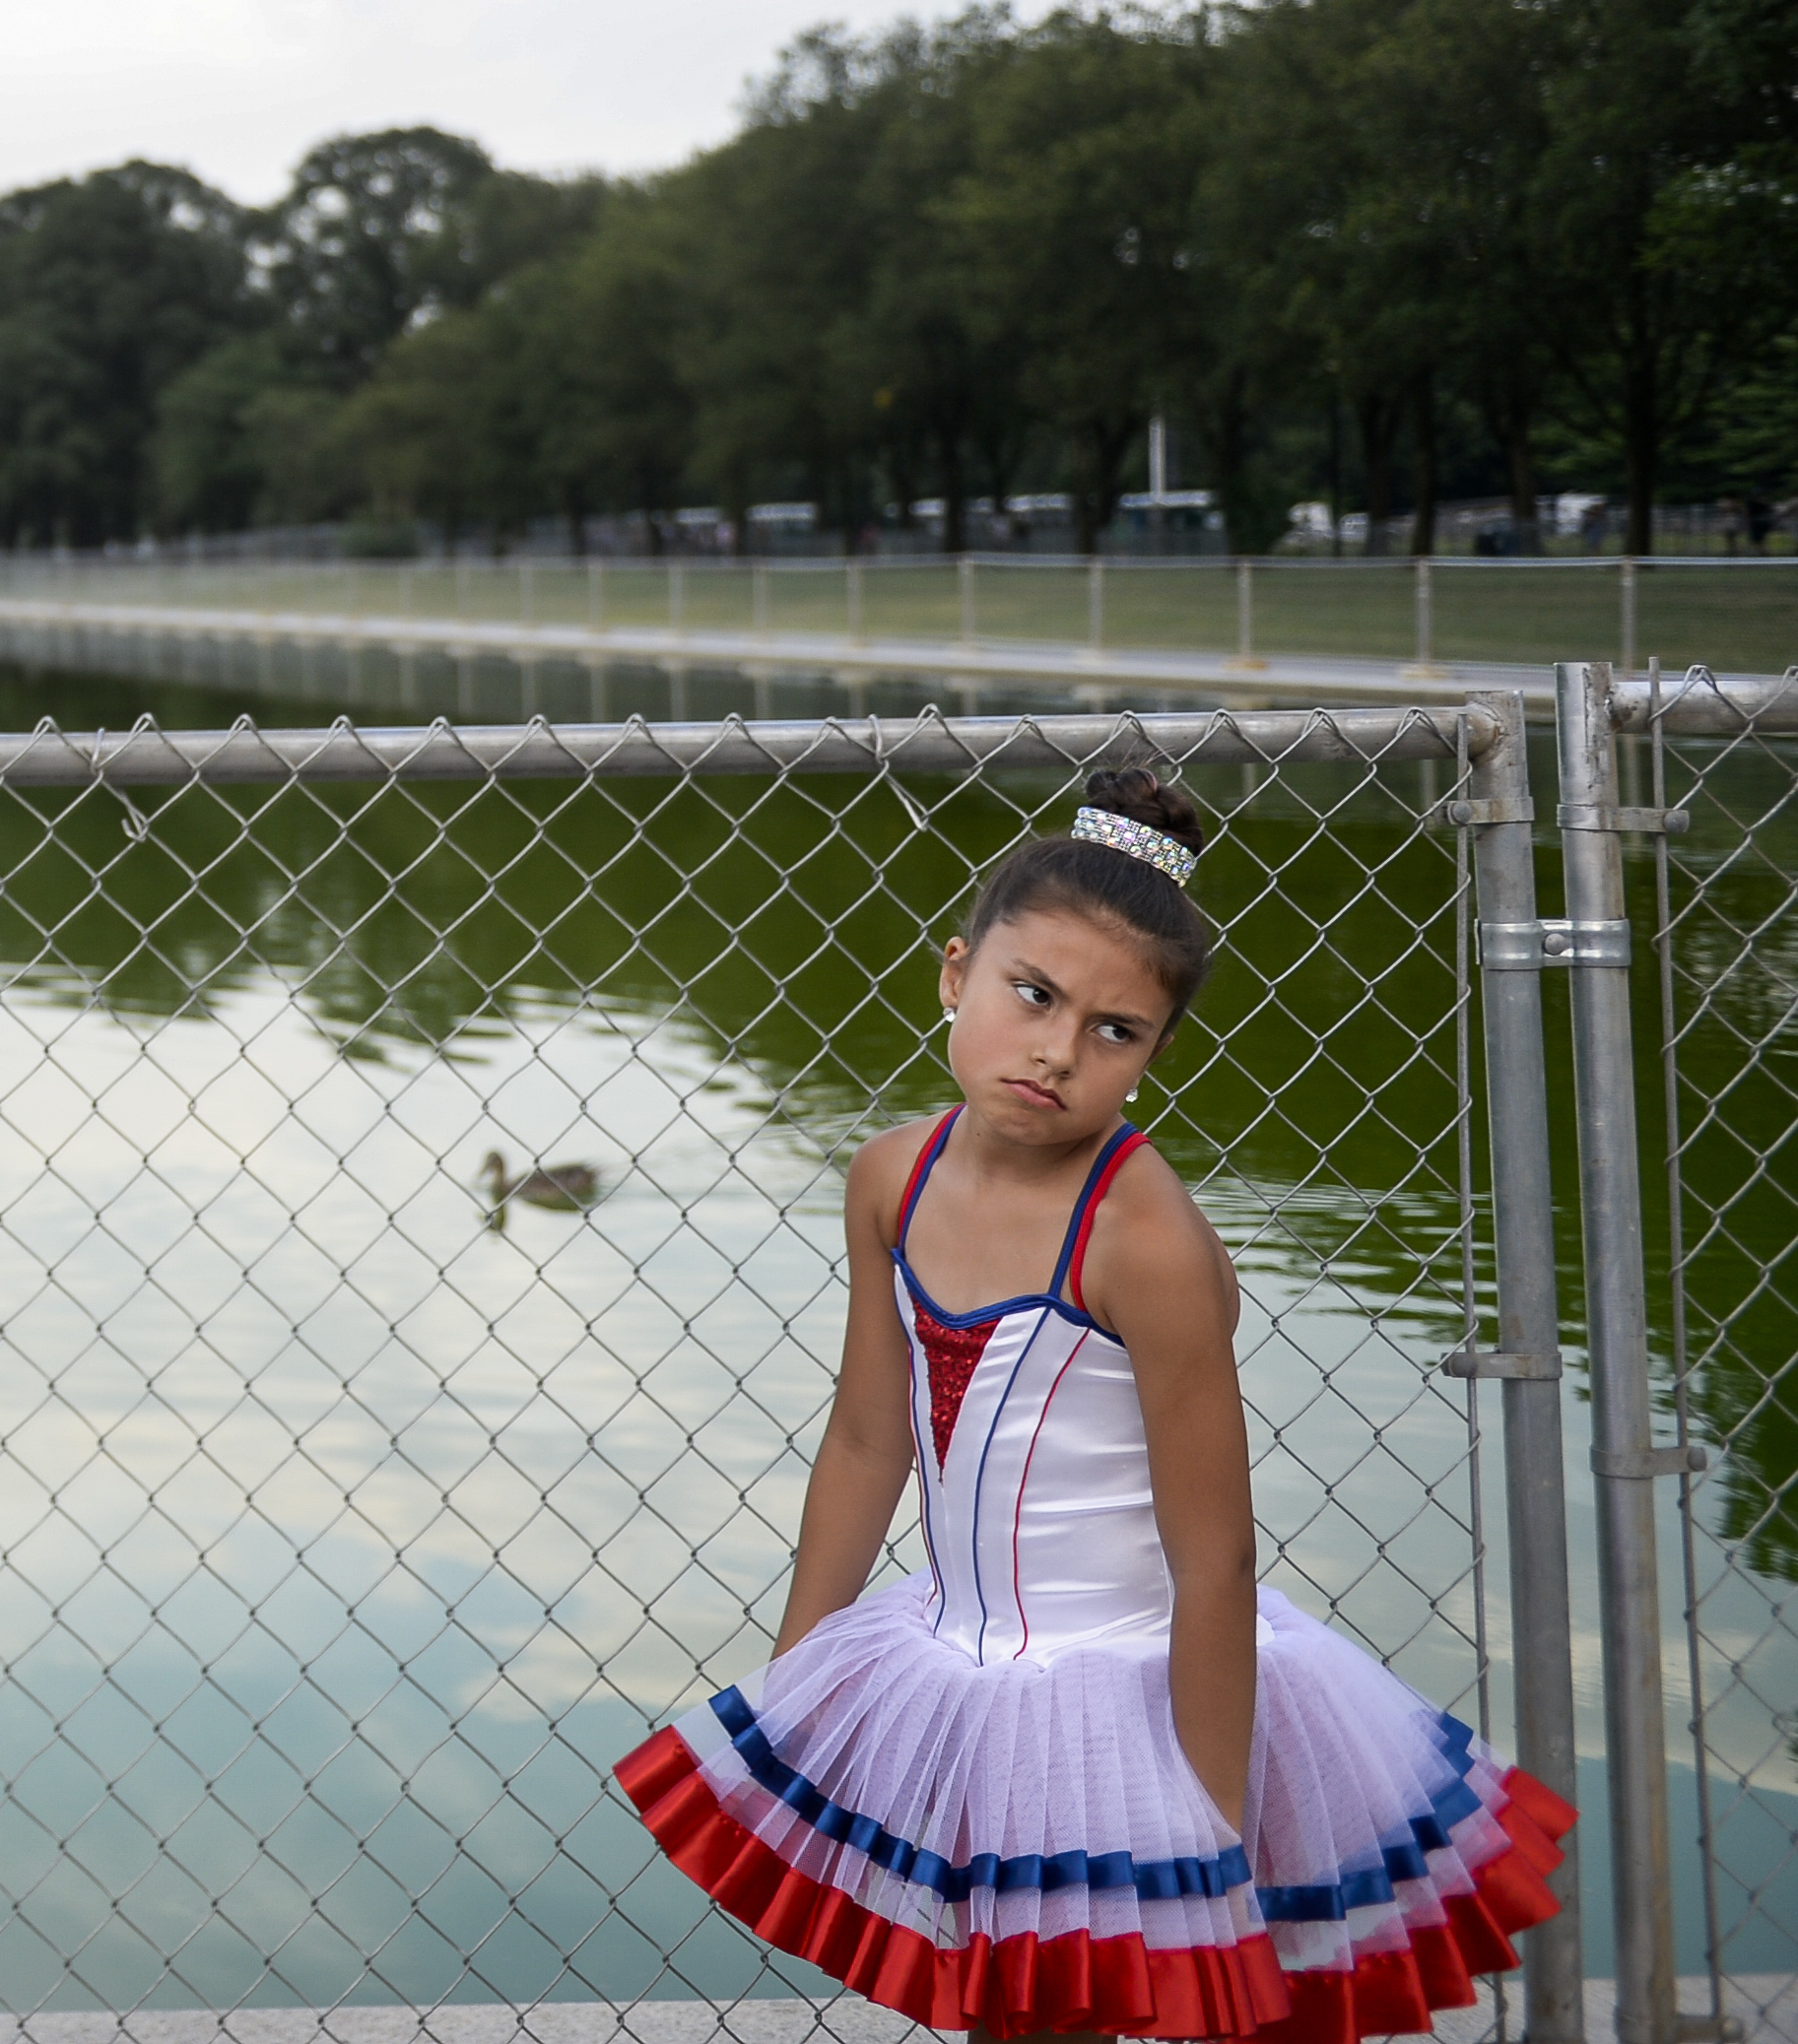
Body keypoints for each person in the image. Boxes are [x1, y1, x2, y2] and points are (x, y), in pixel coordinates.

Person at [615, 767, 1570, 2040]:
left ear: (1158, 1051)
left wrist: (1206, 1828)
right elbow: (866, 1436)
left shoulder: (1145, 1236)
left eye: (1114, 1028)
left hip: (1134, 1689)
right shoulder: (889, 1178)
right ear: (957, 972)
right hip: (952, 1668)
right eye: (1034, 995)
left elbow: (1213, 1557)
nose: (1060, 1048)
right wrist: (800, 1686)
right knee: (1012, 2011)